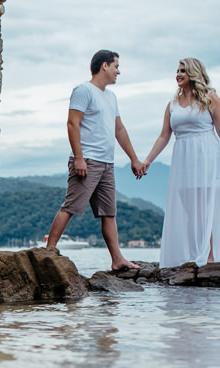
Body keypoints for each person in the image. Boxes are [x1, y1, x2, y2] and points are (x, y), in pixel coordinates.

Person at [45, 49, 146, 271]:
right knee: (70, 206)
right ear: (104, 66)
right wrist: (79, 158)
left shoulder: (111, 97)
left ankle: (117, 259)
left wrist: (134, 159)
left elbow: (119, 129)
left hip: (107, 163)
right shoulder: (83, 90)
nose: (118, 71)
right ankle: (48, 251)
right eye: (116, 66)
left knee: (109, 213)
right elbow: (72, 123)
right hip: (87, 161)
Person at [141, 58, 220, 268]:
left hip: (206, 156)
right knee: (189, 208)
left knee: (206, 207)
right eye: (177, 71)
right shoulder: (172, 104)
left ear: (193, 73)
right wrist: (148, 160)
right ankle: (194, 252)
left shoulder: (210, 98)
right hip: (182, 159)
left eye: (183, 70)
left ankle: (209, 255)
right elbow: (164, 136)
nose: (178, 74)